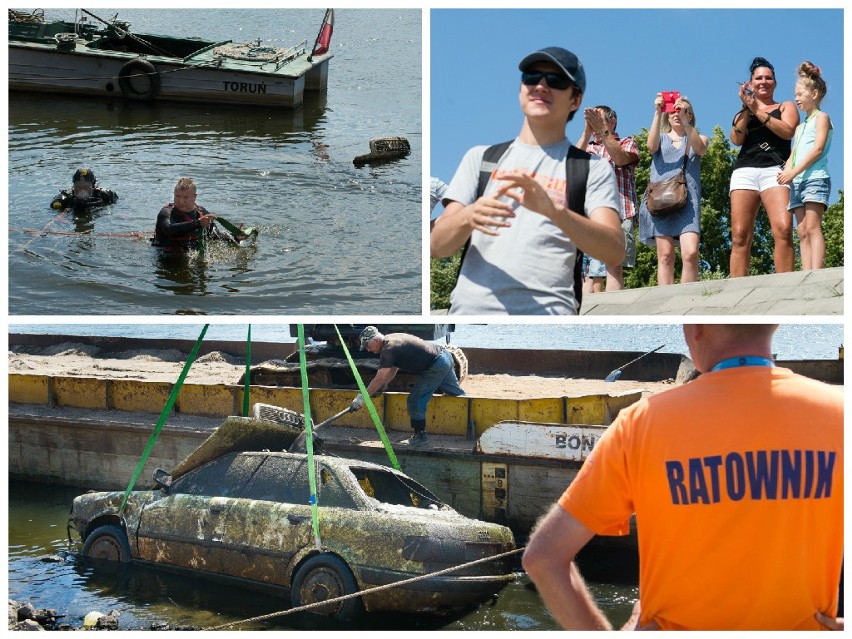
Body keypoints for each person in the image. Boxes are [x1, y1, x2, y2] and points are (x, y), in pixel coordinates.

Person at [523, 324, 843, 630]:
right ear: (774, 326)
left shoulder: (641, 424)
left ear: (696, 330)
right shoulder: (839, 413)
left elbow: (543, 557)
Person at [430, 47, 623, 315]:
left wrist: (552, 210)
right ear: (521, 89)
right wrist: (470, 215)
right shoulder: (481, 158)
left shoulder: (593, 169)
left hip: (548, 315)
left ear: (575, 100)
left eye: (556, 80)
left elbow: (614, 250)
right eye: (532, 77)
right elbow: (437, 246)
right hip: (470, 312)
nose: (541, 85)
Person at [729, 56, 799, 277]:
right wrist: (746, 107)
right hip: (745, 171)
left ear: (775, 83)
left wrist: (758, 111)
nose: (763, 82)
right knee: (740, 234)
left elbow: (788, 131)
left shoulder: (785, 106)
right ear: (749, 84)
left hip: (776, 171)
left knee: (783, 229)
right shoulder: (743, 112)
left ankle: (785, 284)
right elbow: (736, 139)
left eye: (768, 78)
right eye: (758, 78)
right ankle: (736, 289)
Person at [349, 326, 464, 446]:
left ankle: (420, 437)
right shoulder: (391, 340)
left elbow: (378, 379)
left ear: (376, 341)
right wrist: (384, 386)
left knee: (414, 400)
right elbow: (393, 368)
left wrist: (361, 398)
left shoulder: (388, 349)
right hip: (444, 355)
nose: (368, 350)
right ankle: (470, 424)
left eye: (367, 345)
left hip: (436, 365)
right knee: (456, 394)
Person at [638, 95, 708, 285]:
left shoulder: (698, 138)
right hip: (659, 199)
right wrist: (657, 112)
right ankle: (665, 304)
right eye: (673, 111)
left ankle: (687, 298)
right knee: (666, 256)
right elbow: (650, 146)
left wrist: (686, 123)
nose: (677, 114)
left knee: (691, 253)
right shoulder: (661, 138)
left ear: (690, 114)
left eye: (682, 110)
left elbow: (700, 150)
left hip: (688, 202)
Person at [777, 62, 833, 270]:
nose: (796, 98)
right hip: (797, 181)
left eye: (800, 94)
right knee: (801, 231)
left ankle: (817, 273)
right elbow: (795, 152)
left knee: (812, 226)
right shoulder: (800, 127)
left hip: (815, 178)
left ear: (815, 93)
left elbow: (817, 150)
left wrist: (794, 170)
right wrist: (786, 169)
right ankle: (806, 273)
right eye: (795, 94)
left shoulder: (822, 119)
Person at [577, 105, 639, 291]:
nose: (595, 124)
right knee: (589, 272)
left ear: (612, 122)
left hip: (621, 210)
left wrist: (603, 131)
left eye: (599, 119)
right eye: (592, 120)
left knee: (614, 266)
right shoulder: (587, 148)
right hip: (591, 214)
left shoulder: (627, 142)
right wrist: (586, 132)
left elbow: (620, 159)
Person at [152, 177, 232, 253]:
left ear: (195, 197)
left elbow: (213, 234)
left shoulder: (201, 212)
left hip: (188, 253)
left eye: (185, 197)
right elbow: (170, 230)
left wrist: (234, 237)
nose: (181, 201)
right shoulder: (166, 212)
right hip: (165, 256)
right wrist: (198, 223)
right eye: (177, 196)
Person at [50, 168, 118, 214]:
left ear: (93, 185)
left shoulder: (105, 195)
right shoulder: (67, 198)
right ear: (74, 185)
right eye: (79, 186)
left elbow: (117, 208)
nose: (82, 189)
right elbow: (55, 209)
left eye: (86, 186)